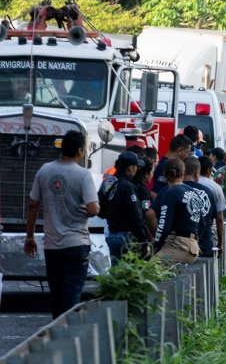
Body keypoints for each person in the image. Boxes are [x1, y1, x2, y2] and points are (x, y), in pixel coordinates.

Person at [24, 130, 100, 318]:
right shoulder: (83, 175)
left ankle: (56, 334)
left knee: (56, 295)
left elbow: (33, 204)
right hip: (76, 244)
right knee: (72, 294)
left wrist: (30, 236)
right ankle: (68, 336)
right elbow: (93, 209)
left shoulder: (44, 170)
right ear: (80, 151)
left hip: (52, 244)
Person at [97, 151, 149, 265]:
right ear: (131, 167)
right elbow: (135, 216)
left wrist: (111, 215)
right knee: (130, 276)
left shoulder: (108, 182)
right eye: (136, 167)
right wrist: (143, 241)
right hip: (126, 237)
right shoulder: (127, 186)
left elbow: (98, 207)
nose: (137, 170)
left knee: (116, 276)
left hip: (111, 235)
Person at [151, 158, 203, 267]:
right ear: (183, 174)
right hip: (192, 248)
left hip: (177, 247)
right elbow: (202, 224)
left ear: (165, 174)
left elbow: (164, 226)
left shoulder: (170, 193)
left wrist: (155, 246)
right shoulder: (193, 192)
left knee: (148, 270)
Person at [182, 157, 219, 258]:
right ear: (197, 174)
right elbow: (212, 221)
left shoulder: (172, 190)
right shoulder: (209, 192)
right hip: (204, 243)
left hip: (179, 246)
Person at [198, 156, 226, 256]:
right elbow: (219, 219)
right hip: (207, 234)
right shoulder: (216, 188)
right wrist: (220, 243)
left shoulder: (186, 184)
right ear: (209, 170)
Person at [132, 156, 155, 242]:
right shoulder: (144, 192)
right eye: (152, 172)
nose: (152, 175)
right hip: (141, 235)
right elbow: (146, 213)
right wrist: (151, 238)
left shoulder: (131, 185)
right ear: (146, 174)